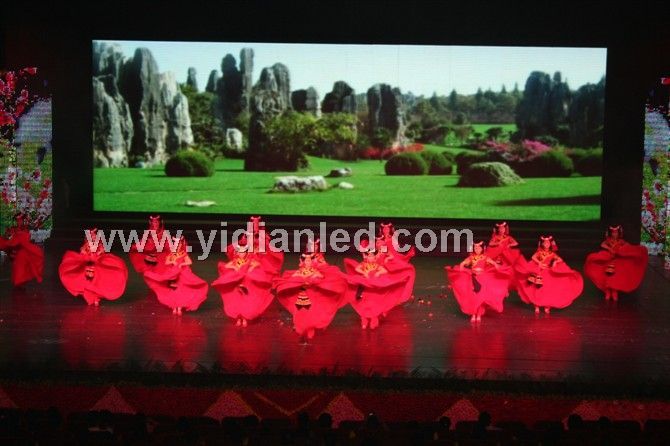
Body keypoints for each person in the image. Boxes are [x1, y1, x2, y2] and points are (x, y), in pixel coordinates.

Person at [274, 239, 347, 340]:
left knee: (313, 311)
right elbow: (294, 277)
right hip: (303, 295)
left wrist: (314, 278)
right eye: (311, 245)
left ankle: (310, 327)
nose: (313, 247)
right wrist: (301, 281)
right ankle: (303, 328)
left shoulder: (318, 260)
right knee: (301, 311)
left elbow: (322, 273)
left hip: (314, 292)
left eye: (315, 246)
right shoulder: (302, 266)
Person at [344, 239, 411, 329]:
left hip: (378, 271)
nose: (378, 244)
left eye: (380, 242)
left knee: (381, 291)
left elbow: (390, 256)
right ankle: (364, 310)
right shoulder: (372, 250)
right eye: (377, 242)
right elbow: (364, 257)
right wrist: (364, 256)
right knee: (364, 289)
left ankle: (379, 311)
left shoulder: (383, 249)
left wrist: (386, 259)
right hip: (369, 273)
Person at [212, 235, 276, 327]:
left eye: (243, 252)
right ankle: (239, 318)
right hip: (237, 287)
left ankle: (245, 318)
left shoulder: (249, 261)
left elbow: (257, 264)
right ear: (237, 253)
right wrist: (235, 268)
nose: (241, 254)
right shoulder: (235, 261)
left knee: (246, 302)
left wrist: (250, 270)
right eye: (239, 252)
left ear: (246, 253)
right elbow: (226, 266)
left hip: (246, 286)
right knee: (236, 302)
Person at [59, 228, 128, 305]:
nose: (93, 239)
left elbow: (101, 253)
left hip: (97, 265)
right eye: (92, 237)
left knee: (103, 278)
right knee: (86, 280)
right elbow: (83, 253)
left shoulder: (100, 246)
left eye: (95, 237)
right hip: (88, 265)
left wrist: (97, 256)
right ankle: (92, 295)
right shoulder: (86, 246)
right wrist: (88, 257)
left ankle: (95, 295)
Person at [445, 240, 511, 322]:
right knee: (473, 297)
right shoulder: (471, 257)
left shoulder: (485, 257)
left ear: (482, 249)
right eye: (475, 248)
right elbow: (463, 263)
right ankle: (473, 314)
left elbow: (494, 263)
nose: (477, 249)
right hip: (474, 278)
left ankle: (479, 315)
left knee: (480, 297)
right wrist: (461, 269)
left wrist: (498, 268)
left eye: (479, 248)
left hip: (482, 279)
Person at [515, 235, 583, 314]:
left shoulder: (552, 253)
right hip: (540, 272)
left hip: (548, 272)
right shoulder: (539, 252)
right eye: (545, 243)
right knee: (537, 289)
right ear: (542, 244)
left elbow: (560, 259)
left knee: (548, 290)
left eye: (548, 243)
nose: (546, 244)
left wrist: (555, 262)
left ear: (550, 244)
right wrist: (539, 263)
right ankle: (537, 305)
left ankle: (547, 306)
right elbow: (533, 257)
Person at [143, 236, 208, 315]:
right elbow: (167, 262)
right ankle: (174, 307)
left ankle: (179, 308)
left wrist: (181, 264)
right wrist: (173, 262)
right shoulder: (171, 254)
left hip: (181, 274)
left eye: (178, 245)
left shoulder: (183, 254)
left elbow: (189, 262)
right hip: (172, 275)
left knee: (180, 291)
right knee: (173, 291)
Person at [584, 225, 648, 301]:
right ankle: (608, 291)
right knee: (606, 275)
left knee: (615, 276)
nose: (614, 234)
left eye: (616, 233)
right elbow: (603, 244)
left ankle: (614, 291)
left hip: (617, 260)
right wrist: (609, 248)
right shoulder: (608, 240)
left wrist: (621, 250)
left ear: (618, 233)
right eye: (613, 233)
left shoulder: (621, 241)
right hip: (609, 259)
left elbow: (627, 246)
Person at [0, 212, 44, 286]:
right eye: (17, 220)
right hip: (15, 250)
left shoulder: (25, 228)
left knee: (21, 266)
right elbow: (8, 237)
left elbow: (26, 237)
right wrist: (9, 238)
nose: (19, 221)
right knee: (17, 266)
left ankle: (20, 281)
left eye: (20, 220)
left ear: (23, 220)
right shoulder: (13, 229)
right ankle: (19, 281)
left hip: (22, 250)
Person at [485, 222, 523, 290]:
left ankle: (508, 283)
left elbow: (516, 243)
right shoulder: (496, 237)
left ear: (505, 229)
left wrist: (509, 245)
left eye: (503, 228)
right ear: (498, 230)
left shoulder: (508, 237)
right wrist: (497, 243)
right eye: (500, 229)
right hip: (498, 254)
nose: (501, 230)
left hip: (506, 255)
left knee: (510, 267)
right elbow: (490, 243)